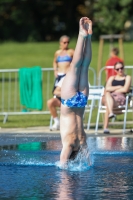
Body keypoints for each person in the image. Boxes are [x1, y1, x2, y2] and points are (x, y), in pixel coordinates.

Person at [58, 17, 92, 166]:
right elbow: (89, 164)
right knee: (79, 66)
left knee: (80, 66)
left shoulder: (76, 145)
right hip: (73, 102)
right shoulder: (74, 145)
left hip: (78, 102)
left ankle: (85, 36)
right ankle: (85, 35)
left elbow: (63, 164)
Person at [47, 35, 74, 130]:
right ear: (60, 43)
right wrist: (55, 70)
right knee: (55, 93)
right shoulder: (57, 53)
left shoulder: (71, 52)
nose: (66, 44)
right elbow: (54, 62)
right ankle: (57, 121)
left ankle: (68, 117)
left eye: (67, 42)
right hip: (60, 75)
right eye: (64, 42)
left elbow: (76, 62)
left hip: (67, 75)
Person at [103, 61, 131, 134]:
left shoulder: (127, 77)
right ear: (115, 70)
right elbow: (107, 88)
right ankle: (111, 113)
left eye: (121, 68)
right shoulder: (112, 78)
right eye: (117, 69)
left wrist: (112, 88)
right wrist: (119, 87)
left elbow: (125, 89)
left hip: (120, 98)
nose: (120, 70)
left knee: (107, 103)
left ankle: (106, 127)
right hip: (110, 97)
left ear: (123, 68)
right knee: (107, 94)